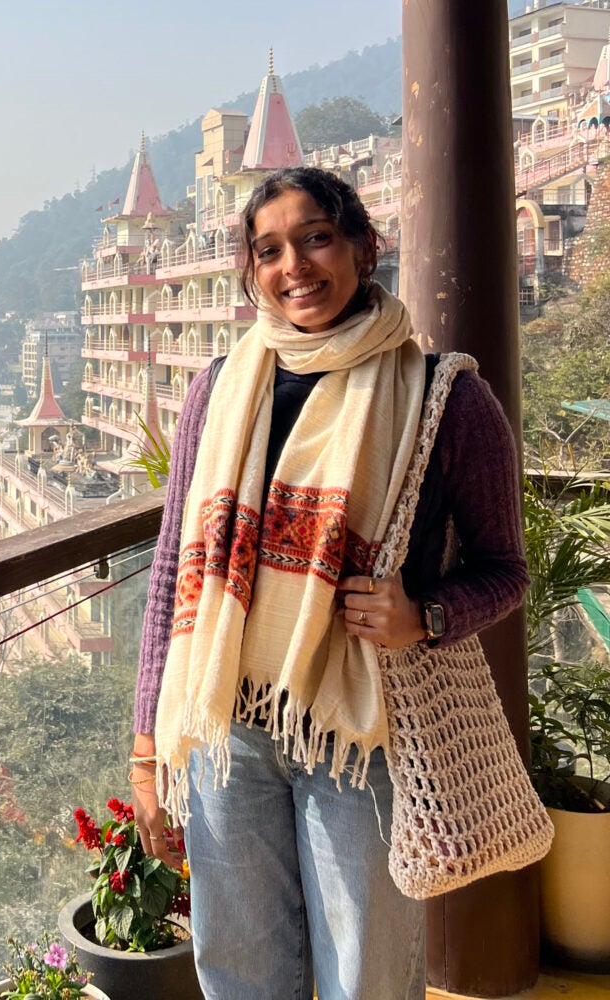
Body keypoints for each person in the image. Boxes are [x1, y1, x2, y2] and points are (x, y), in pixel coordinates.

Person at [130, 167, 529, 1000]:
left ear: (362, 246)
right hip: (225, 727)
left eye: (315, 237)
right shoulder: (218, 390)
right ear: (251, 271)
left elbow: (505, 570)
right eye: (268, 250)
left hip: (363, 736)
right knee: (238, 968)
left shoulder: (443, 397)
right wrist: (146, 748)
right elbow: (174, 566)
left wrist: (426, 614)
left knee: (365, 978)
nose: (295, 266)